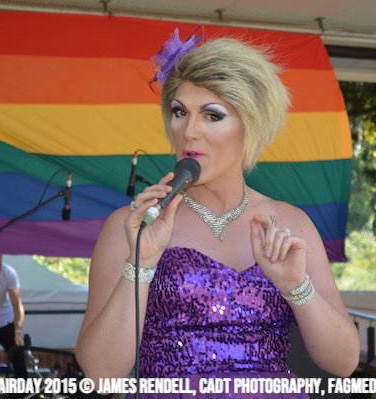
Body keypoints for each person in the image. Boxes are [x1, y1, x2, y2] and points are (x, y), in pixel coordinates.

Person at [76, 28, 360, 397]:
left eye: (212, 115)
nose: (189, 131)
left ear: (250, 125)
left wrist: (296, 288)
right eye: (180, 112)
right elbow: (101, 375)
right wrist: (141, 264)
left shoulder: (292, 223)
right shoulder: (134, 224)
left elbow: (344, 362)